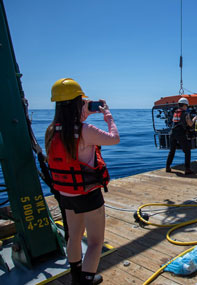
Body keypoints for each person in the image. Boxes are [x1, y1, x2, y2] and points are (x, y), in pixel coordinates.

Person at [45, 78, 120, 285]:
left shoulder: (51, 131)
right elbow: (114, 138)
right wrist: (107, 115)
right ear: (78, 103)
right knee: (95, 242)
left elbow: (70, 124)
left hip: (66, 195)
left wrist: (85, 109)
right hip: (87, 194)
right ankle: (86, 282)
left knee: (74, 236)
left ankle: (77, 278)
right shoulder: (86, 131)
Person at [166, 97, 197, 175]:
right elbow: (190, 124)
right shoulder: (186, 113)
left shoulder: (175, 112)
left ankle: (167, 167)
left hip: (172, 133)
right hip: (180, 133)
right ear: (184, 105)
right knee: (187, 151)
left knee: (172, 151)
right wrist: (194, 119)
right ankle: (187, 169)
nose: (187, 107)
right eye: (186, 105)